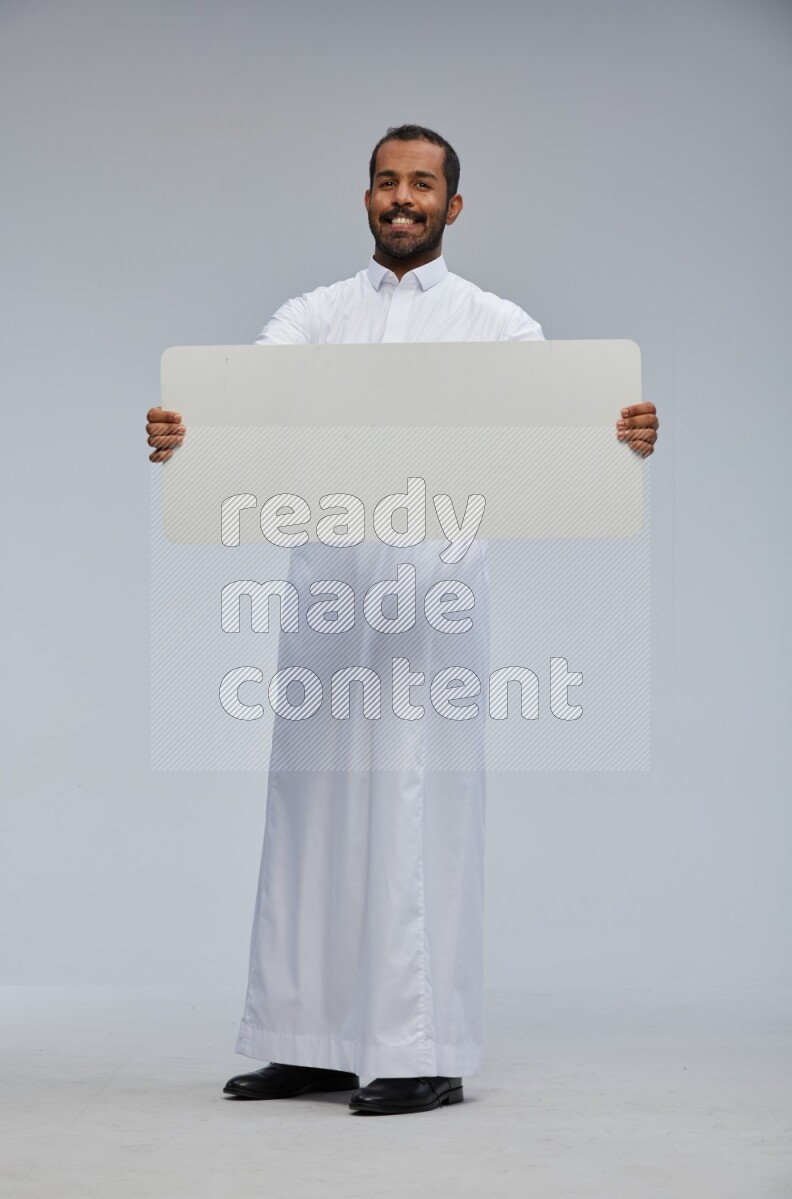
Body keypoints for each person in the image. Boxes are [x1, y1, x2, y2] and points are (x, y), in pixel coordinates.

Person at [146, 125, 658, 1116]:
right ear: (366, 197)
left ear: (452, 206)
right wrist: (185, 433)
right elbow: (242, 408)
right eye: (386, 180)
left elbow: (559, 427)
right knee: (310, 810)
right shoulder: (314, 315)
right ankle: (307, 1037)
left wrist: (620, 432)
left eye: (422, 183)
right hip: (329, 595)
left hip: (432, 596)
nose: (401, 197)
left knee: (415, 811)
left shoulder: (494, 323)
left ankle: (420, 1047)